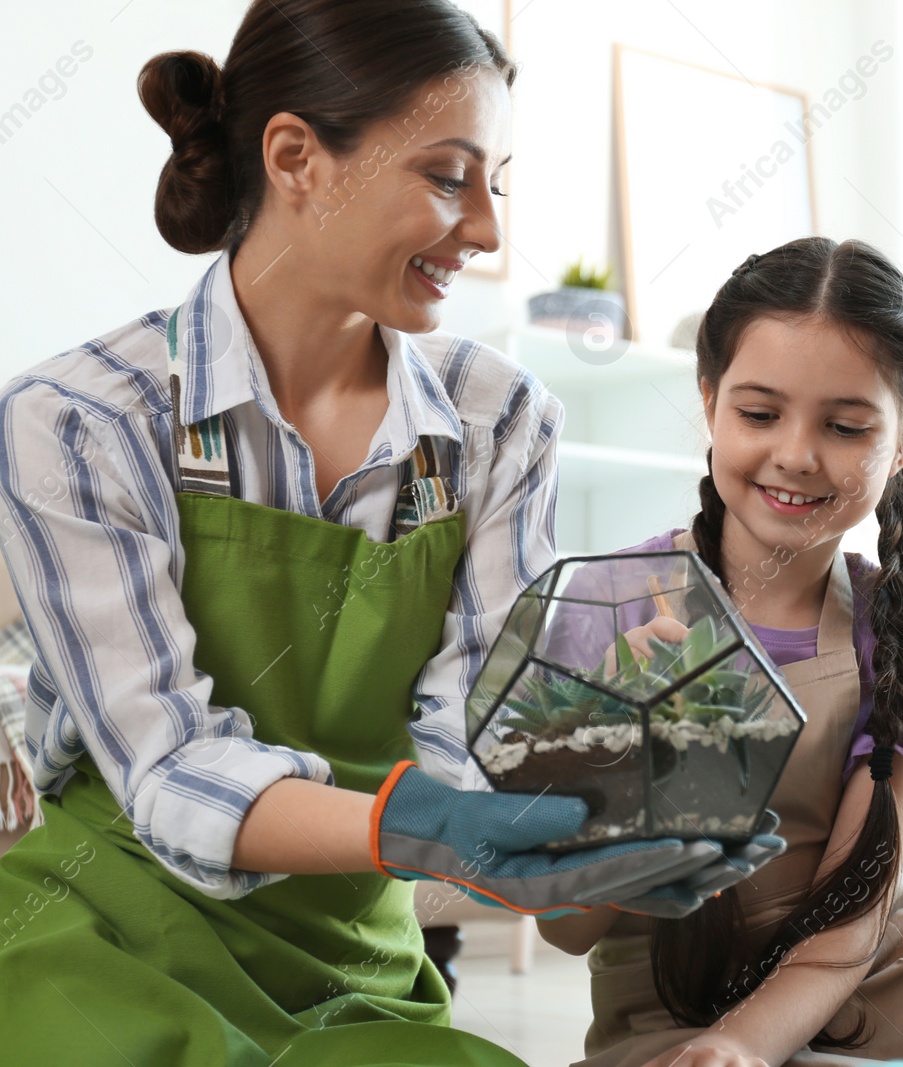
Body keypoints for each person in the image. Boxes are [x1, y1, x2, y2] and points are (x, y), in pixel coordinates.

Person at [0, 3, 779, 1064]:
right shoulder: (86, 417)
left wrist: (594, 821)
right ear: (296, 159)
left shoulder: (496, 419)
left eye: (494, 183)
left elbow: (483, 713)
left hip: (347, 956)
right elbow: (167, 763)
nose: (489, 230)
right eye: (449, 176)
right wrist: (418, 830)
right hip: (96, 919)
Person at [536, 237, 903, 1067]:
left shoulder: (902, 631)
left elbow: (852, 926)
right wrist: (618, 760)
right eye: (758, 413)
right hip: (677, 1004)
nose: (796, 454)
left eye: (846, 425)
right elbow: (564, 927)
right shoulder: (606, 613)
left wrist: (750, 1044)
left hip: (878, 975)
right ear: (708, 400)